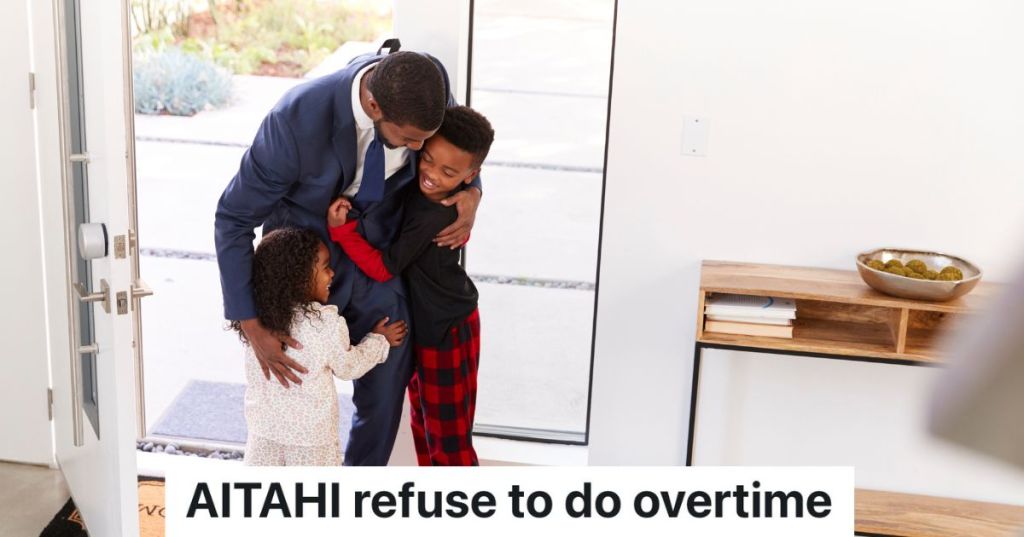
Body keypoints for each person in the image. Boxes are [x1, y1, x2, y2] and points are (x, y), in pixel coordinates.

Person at [215, 44, 482, 465]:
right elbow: (233, 218)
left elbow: (462, 148)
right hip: (306, 266)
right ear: (374, 106)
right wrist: (249, 322)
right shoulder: (294, 119)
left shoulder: (427, 87)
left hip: (379, 261)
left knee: (387, 389)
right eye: (411, 139)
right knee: (290, 393)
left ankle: (359, 492)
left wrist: (472, 191)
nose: (420, 149)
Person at [326, 106, 494, 465]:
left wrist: (344, 233)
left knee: (448, 439)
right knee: (424, 423)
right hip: (434, 321)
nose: (431, 174)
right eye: (428, 160)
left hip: (448, 328)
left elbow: (384, 267)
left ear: (471, 176)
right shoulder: (422, 188)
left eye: (448, 172)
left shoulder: (434, 215)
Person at [231, 227, 407, 466]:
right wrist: (378, 340)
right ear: (299, 277)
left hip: (263, 434)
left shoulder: (258, 325)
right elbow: (348, 367)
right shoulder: (325, 324)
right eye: (325, 267)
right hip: (312, 442)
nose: (332, 274)